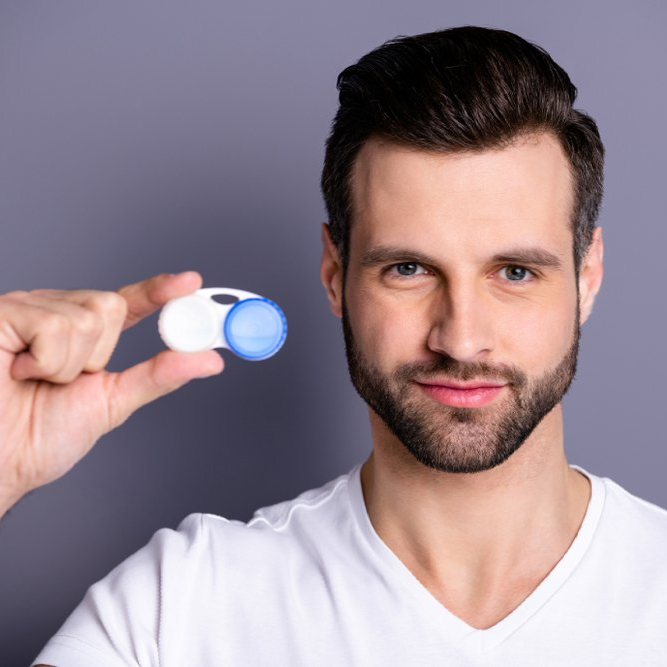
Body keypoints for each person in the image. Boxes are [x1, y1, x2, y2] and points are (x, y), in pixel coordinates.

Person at [0, 25, 662, 666]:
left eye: (514, 272)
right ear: (333, 274)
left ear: (586, 276)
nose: (459, 336)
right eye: (407, 269)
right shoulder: (178, 606)